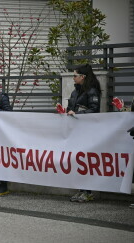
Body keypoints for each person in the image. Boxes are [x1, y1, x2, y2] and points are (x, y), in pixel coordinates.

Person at [67, 64, 101, 203]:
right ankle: (81, 190)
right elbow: (70, 107)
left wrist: (78, 114)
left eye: (75, 75)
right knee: (78, 161)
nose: (73, 78)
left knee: (86, 161)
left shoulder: (92, 91)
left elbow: (94, 109)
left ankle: (88, 191)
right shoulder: (75, 92)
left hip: (87, 130)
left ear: (83, 77)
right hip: (76, 130)